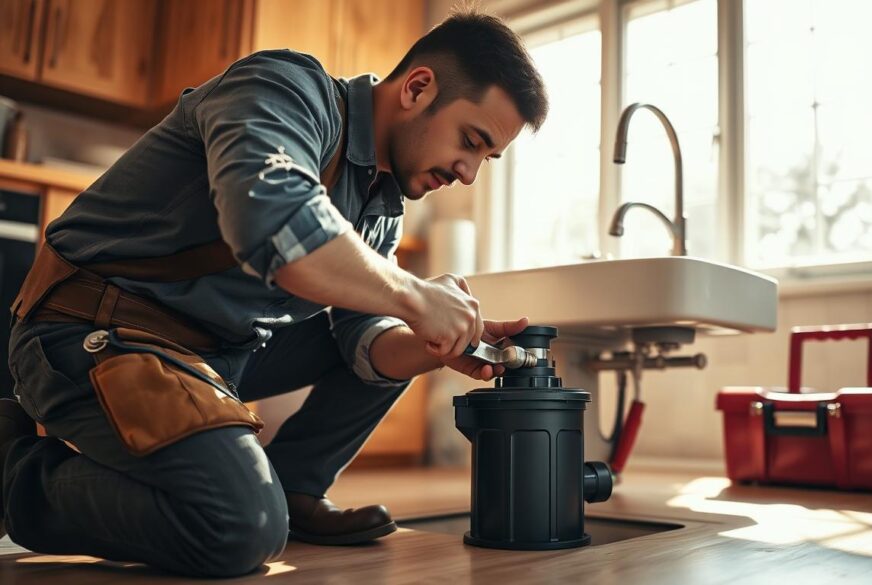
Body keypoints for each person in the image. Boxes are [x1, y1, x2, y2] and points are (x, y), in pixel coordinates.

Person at [0, 7, 547, 578]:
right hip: (90, 329)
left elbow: (362, 336)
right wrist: (413, 295)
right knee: (239, 529)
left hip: (215, 357)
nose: (468, 173)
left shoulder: (381, 206)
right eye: (471, 141)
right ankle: (16, 474)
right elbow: (274, 220)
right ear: (417, 87)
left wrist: (432, 342)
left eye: (487, 158)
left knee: (385, 320)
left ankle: (293, 491)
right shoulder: (285, 88)